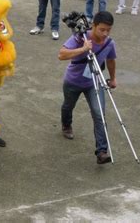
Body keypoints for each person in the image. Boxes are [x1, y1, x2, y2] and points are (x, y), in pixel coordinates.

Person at [58, 11, 117, 165]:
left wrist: (113, 78)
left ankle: (102, 151)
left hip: (95, 81)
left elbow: (111, 60)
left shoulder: (110, 43)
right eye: (101, 29)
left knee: (99, 114)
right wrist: (83, 49)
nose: (105, 33)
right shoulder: (80, 37)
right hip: (73, 81)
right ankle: (66, 124)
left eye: (108, 30)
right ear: (94, 26)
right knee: (68, 106)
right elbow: (62, 54)